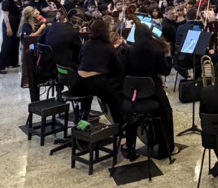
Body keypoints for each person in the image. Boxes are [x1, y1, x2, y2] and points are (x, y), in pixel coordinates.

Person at [123, 23, 176, 161]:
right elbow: (165, 71)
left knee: (132, 115)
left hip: (133, 93)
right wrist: (168, 55)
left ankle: (129, 145)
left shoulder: (128, 50)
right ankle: (167, 148)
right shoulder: (157, 50)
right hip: (152, 91)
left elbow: (125, 72)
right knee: (166, 112)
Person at [74, 19, 124, 124]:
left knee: (89, 91)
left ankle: (85, 115)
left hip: (79, 83)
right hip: (96, 84)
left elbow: (79, 59)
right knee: (115, 97)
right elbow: (117, 68)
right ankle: (119, 125)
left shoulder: (86, 44)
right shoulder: (108, 47)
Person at [0, 0, 23, 74]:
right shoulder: (7, 2)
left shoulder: (19, 0)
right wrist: (8, 27)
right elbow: (6, 16)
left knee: (15, 43)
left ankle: (13, 62)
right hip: (9, 24)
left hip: (17, 24)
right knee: (7, 44)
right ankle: (1, 66)